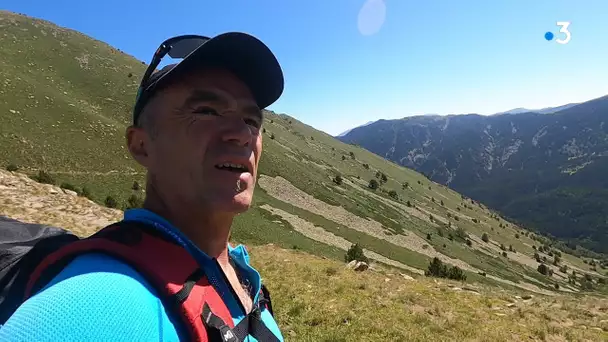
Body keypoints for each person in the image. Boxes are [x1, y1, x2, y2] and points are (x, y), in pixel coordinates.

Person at [0, 32, 285, 341]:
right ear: (141, 145)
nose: (242, 134)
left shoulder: (238, 271)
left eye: (251, 120)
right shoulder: (102, 300)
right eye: (206, 111)